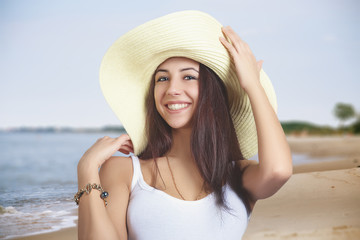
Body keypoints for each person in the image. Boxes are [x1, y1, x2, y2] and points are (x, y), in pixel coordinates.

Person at [75, 10, 292, 240]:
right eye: (162, 78)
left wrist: (252, 85)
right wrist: (87, 169)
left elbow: (279, 170)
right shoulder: (125, 171)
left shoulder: (238, 175)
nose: (172, 89)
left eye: (188, 77)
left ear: (212, 92)